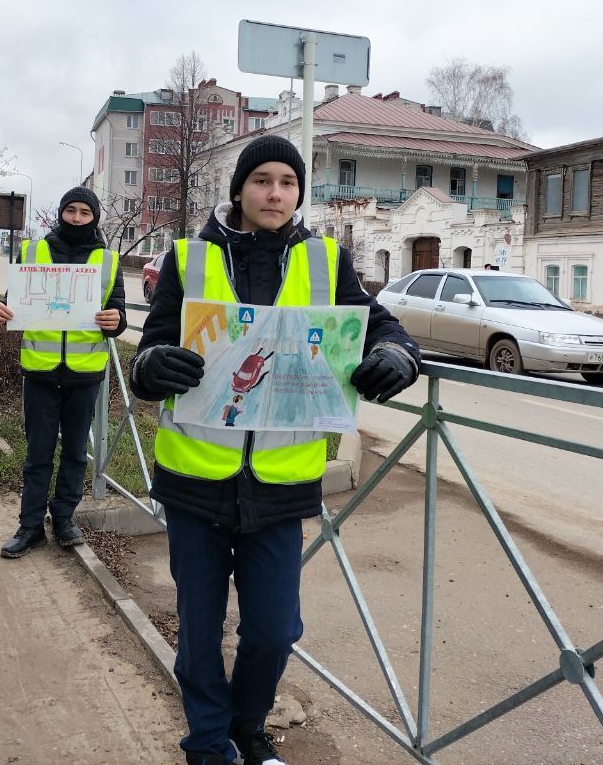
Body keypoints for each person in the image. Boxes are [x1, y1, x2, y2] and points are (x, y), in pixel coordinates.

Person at [129, 136, 421, 765]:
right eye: (262, 180)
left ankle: (245, 726)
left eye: (288, 182)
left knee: (274, 630)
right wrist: (153, 365)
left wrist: (398, 355)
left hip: (282, 485)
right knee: (200, 631)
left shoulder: (326, 261)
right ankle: (208, 743)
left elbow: (379, 323)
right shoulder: (189, 258)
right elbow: (149, 350)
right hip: (195, 478)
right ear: (239, 189)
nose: (275, 193)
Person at [0, 187, 127, 558]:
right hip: (41, 372)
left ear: (95, 217)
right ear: (61, 213)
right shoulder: (34, 251)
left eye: (85, 212)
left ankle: (64, 517)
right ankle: (30, 526)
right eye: (71, 211)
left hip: (85, 373)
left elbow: (118, 314)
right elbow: (11, 303)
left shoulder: (109, 261)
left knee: (76, 453)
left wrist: (116, 322)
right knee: (38, 452)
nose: (77, 218)